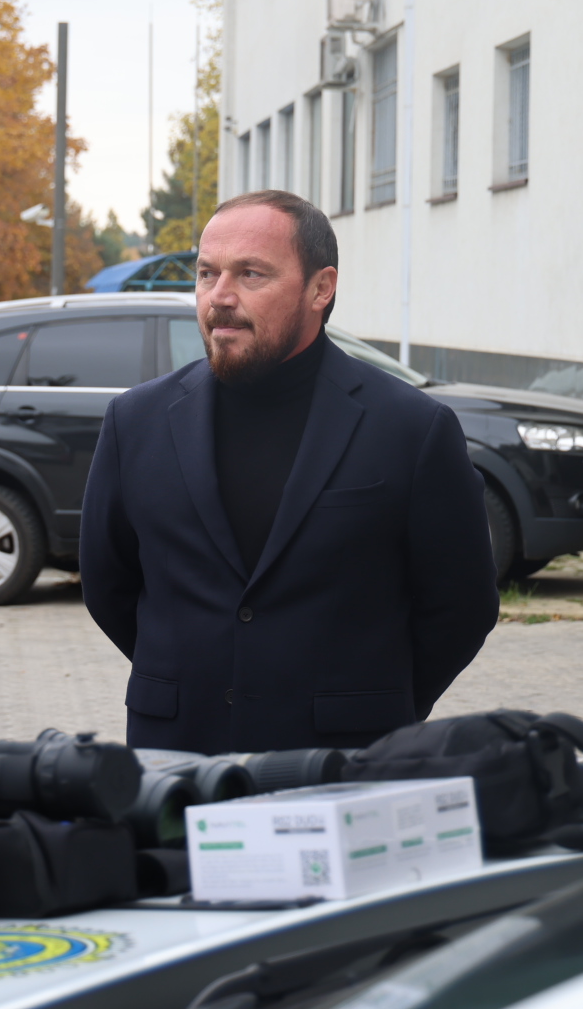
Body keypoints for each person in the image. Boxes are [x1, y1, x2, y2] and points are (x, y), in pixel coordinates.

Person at [79, 189, 499, 753]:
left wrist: (375, 704)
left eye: (251, 274)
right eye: (207, 273)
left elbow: (462, 606)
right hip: (177, 758)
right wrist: (190, 679)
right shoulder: (136, 421)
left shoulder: (411, 428)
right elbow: (108, 584)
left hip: (342, 765)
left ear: (320, 288)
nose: (220, 296)